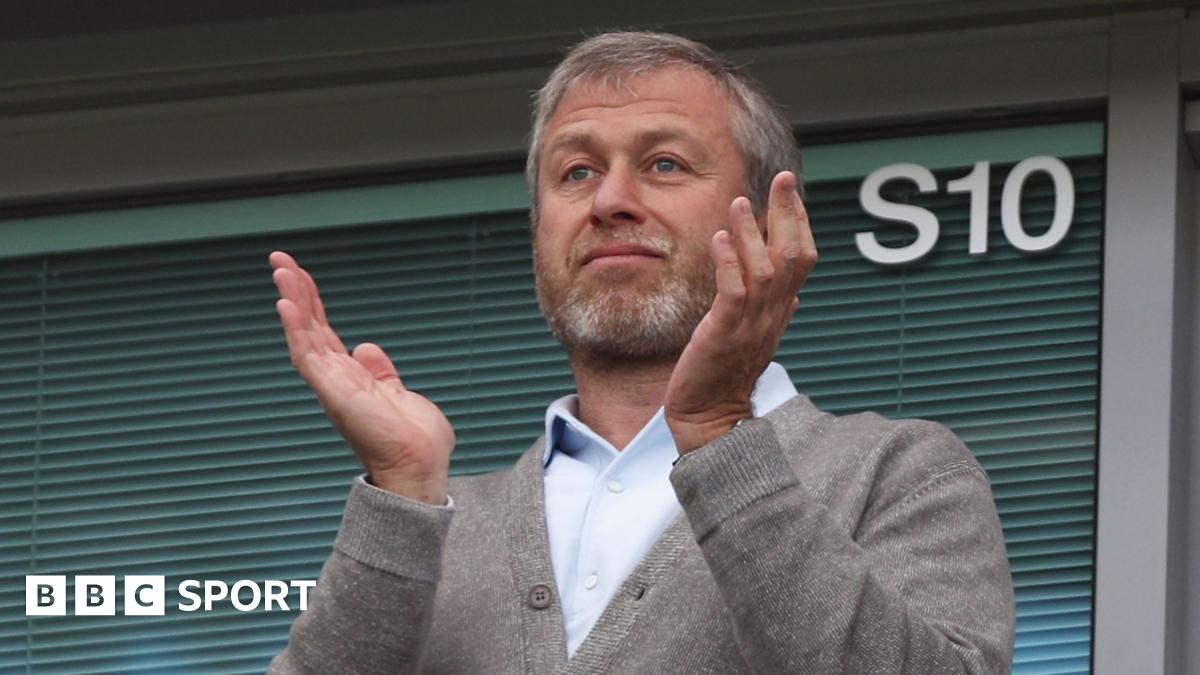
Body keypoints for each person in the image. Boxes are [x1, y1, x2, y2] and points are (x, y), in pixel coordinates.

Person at [267, 31, 1014, 674]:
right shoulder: (434, 523)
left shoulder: (899, 472)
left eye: (664, 164)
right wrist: (401, 493)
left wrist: (721, 431)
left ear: (765, 222)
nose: (608, 200)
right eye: (577, 172)